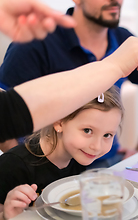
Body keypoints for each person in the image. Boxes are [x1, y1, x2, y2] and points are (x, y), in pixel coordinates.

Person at [0, 0, 138, 163]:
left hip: (106, 163)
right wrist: (21, 168)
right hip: (48, 171)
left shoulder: (124, 40)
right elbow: (4, 115)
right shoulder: (36, 41)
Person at [0, 86, 123, 220]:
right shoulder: (12, 165)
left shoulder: (79, 156)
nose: (97, 147)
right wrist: (7, 216)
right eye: (87, 131)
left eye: (107, 135)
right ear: (59, 122)